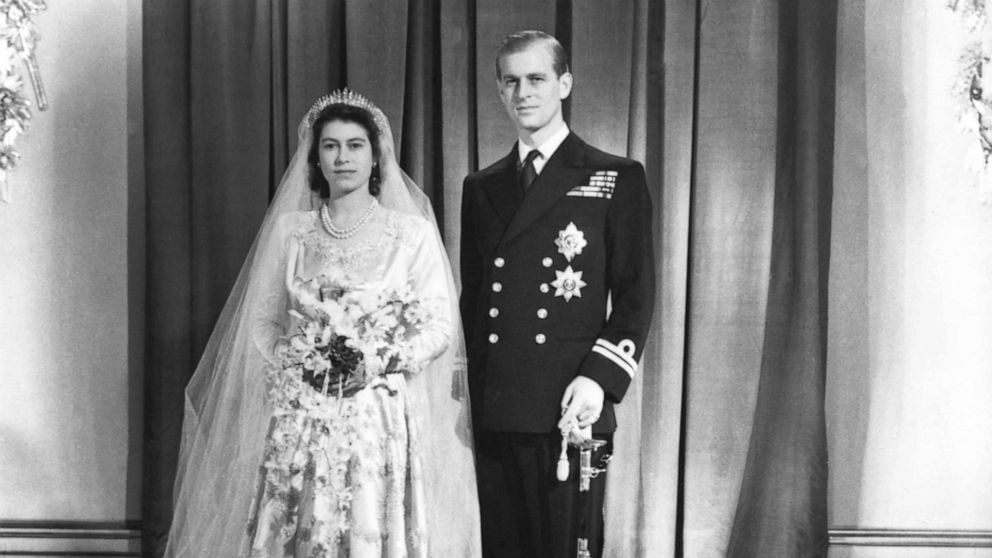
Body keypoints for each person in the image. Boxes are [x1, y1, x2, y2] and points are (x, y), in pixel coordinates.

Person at [166, 90, 481, 557]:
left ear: (376, 157)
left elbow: (438, 327)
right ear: (316, 157)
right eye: (331, 145)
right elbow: (262, 320)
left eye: (356, 145)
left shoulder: (410, 233)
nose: (343, 157)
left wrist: (377, 362)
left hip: (376, 412)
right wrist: (297, 361)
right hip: (302, 413)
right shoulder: (292, 231)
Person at [459, 31, 655, 558]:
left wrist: (600, 380)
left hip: (569, 405)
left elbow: (636, 297)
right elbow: (474, 303)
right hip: (497, 404)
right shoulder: (481, 187)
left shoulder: (613, 176)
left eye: (537, 79)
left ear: (564, 84)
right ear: (500, 91)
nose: (524, 92)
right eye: (511, 81)